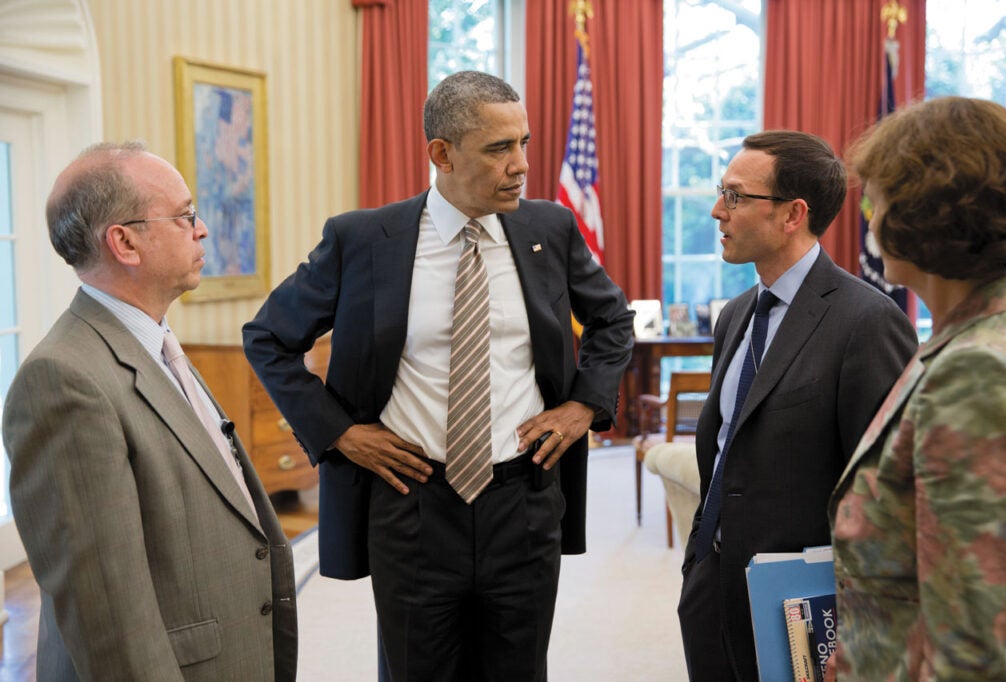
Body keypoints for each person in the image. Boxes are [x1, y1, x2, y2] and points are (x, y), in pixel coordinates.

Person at [242, 70, 634, 682]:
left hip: (524, 502)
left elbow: (612, 318)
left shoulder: (549, 231)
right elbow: (267, 338)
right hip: (412, 506)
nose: (521, 165)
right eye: (500, 148)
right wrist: (340, 432)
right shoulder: (364, 239)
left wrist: (584, 406)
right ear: (441, 154)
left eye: (524, 143)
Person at [2, 142, 298, 681]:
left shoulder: (153, 342)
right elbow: (107, 618)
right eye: (185, 216)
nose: (202, 229)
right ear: (125, 242)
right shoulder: (64, 381)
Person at [676, 130, 919, 681]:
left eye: (736, 196)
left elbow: (888, 493)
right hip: (712, 584)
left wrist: (864, 625)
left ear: (792, 215)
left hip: (803, 603)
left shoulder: (868, 321)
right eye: (722, 192)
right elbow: (725, 447)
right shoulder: (736, 315)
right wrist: (699, 561)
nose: (718, 210)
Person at [826, 96, 1006, 680]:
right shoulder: (975, 336)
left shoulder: (975, 371)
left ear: (923, 209)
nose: (867, 214)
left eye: (878, 195)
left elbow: (977, 645)